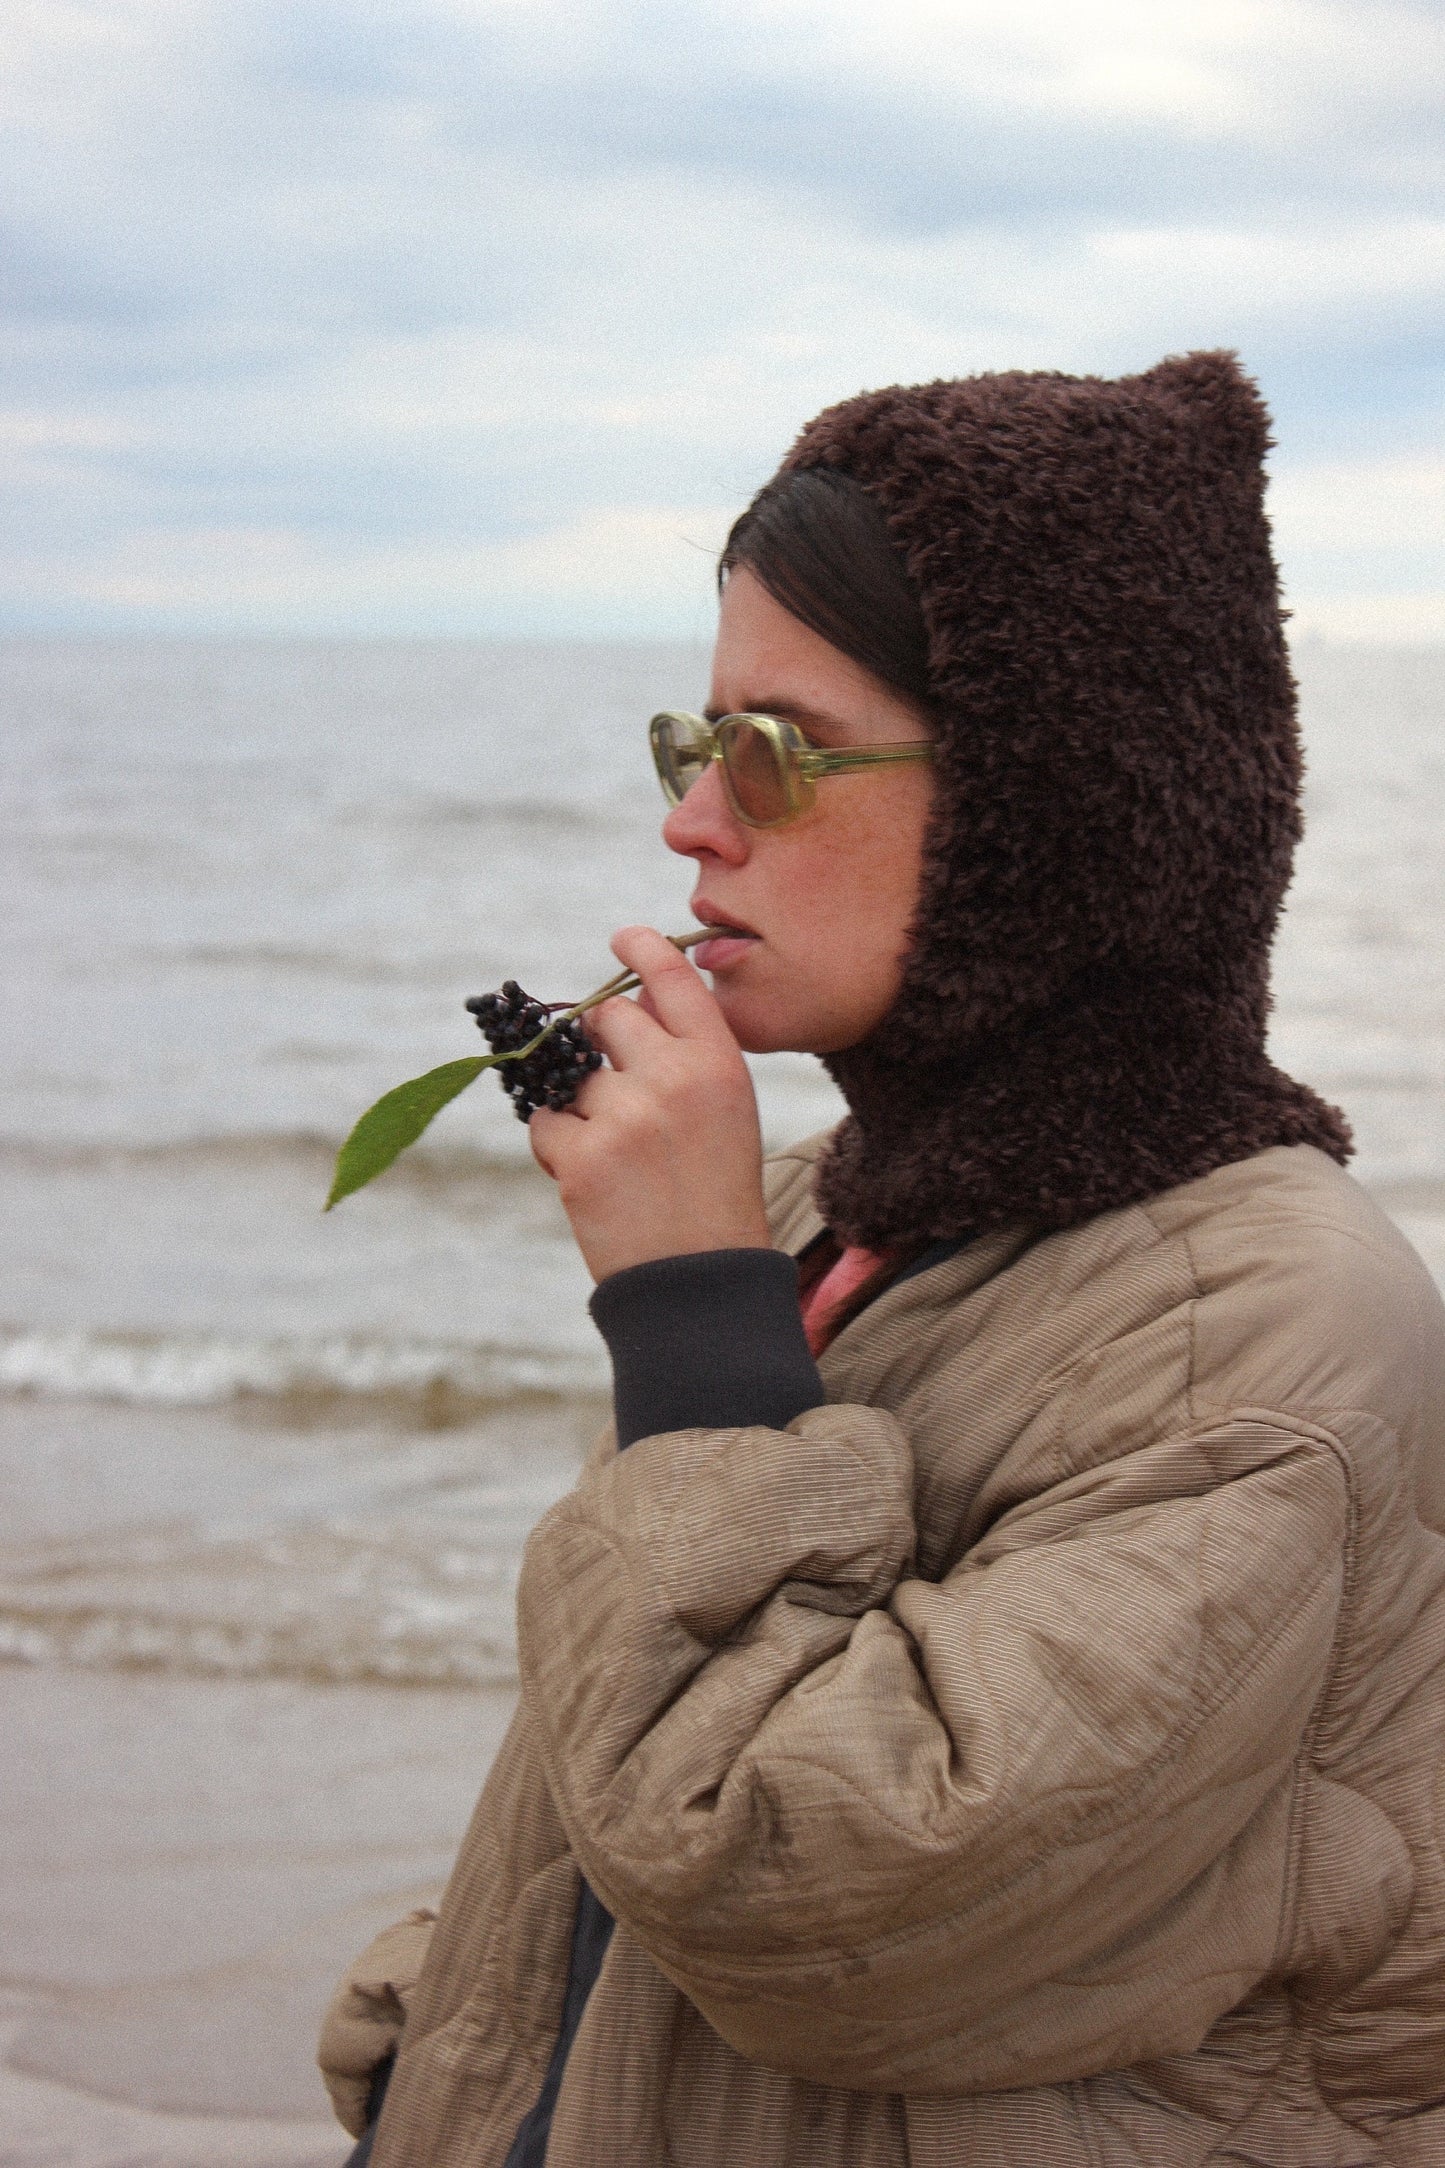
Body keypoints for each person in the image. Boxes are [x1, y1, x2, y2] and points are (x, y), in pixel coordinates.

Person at [318, 352, 1445, 2166]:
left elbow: (804, 1888)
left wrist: (688, 1316)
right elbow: (612, 1765)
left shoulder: (1266, 1337)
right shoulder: (843, 1211)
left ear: (1043, 800)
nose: (693, 821)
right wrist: (433, 2044)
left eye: (770, 751)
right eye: (694, 745)